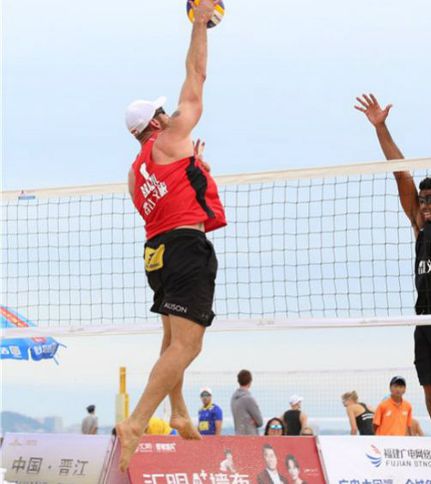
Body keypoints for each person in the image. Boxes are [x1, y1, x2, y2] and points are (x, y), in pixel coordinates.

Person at [115, 0, 227, 471]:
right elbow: (196, 77)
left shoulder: (135, 171)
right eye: (164, 111)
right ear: (157, 122)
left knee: (170, 341)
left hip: (155, 253)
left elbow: (161, 204)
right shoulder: (170, 136)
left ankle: (179, 411)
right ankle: (137, 421)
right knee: (188, 345)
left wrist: (194, 166)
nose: (171, 112)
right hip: (183, 249)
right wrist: (200, 23)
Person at [355, 81, 431, 484]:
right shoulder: (419, 225)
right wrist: (380, 128)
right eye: (421, 201)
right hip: (426, 321)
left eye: (430, 201)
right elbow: (400, 173)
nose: (423, 206)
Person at [232, 369, 264, 435]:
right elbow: (260, 422)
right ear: (250, 381)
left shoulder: (233, 398)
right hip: (250, 435)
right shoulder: (248, 399)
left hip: (238, 434)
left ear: (238, 381)